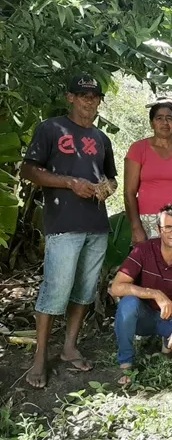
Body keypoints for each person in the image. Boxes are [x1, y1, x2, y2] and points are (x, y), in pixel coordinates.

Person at [20, 74, 118, 389]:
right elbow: (29, 169)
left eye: (94, 96)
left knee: (85, 291)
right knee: (55, 291)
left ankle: (69, 347)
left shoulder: (102, 139)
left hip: (96, 225)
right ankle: (39, 357)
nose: (89, 101)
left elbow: (112, 178)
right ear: (70, 98)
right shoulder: (50, 129)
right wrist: (69, 182)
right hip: (63, 224)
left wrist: (107, 188)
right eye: (83, 95)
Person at [110, 204, 172, 385]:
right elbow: (116, 288)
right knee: (128, 303)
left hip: (171, 317)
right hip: (144, 316)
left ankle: (168, 341)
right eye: (168, 227)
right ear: (159, 230)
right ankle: (126, 363)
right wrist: (154, 293)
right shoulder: (144, 250)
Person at [125, 99, 172, 245]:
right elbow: (129, 191)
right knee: (150, 266)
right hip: (148, 221)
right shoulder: (138, 149)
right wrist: (136, 226)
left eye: (169, 118)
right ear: (152, 123)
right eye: (159, 118)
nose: (165, 123)